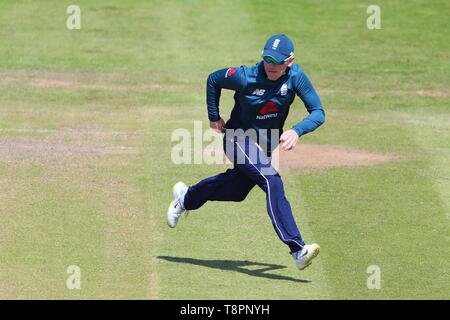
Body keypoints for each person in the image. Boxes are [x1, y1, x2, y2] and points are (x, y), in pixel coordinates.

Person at [167, 34, 325, 270]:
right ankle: (297, 249)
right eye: (267, 59)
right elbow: (213, 80)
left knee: (237, 190)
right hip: (237, 139)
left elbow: (318, 112)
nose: (270, 65)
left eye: (277, 61)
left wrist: (297, 130)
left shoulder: (296, 78)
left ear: (289, 61)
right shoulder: (246, 76)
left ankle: (187, 197)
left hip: (264, 145)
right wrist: (214, 117)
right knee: (273, 182)